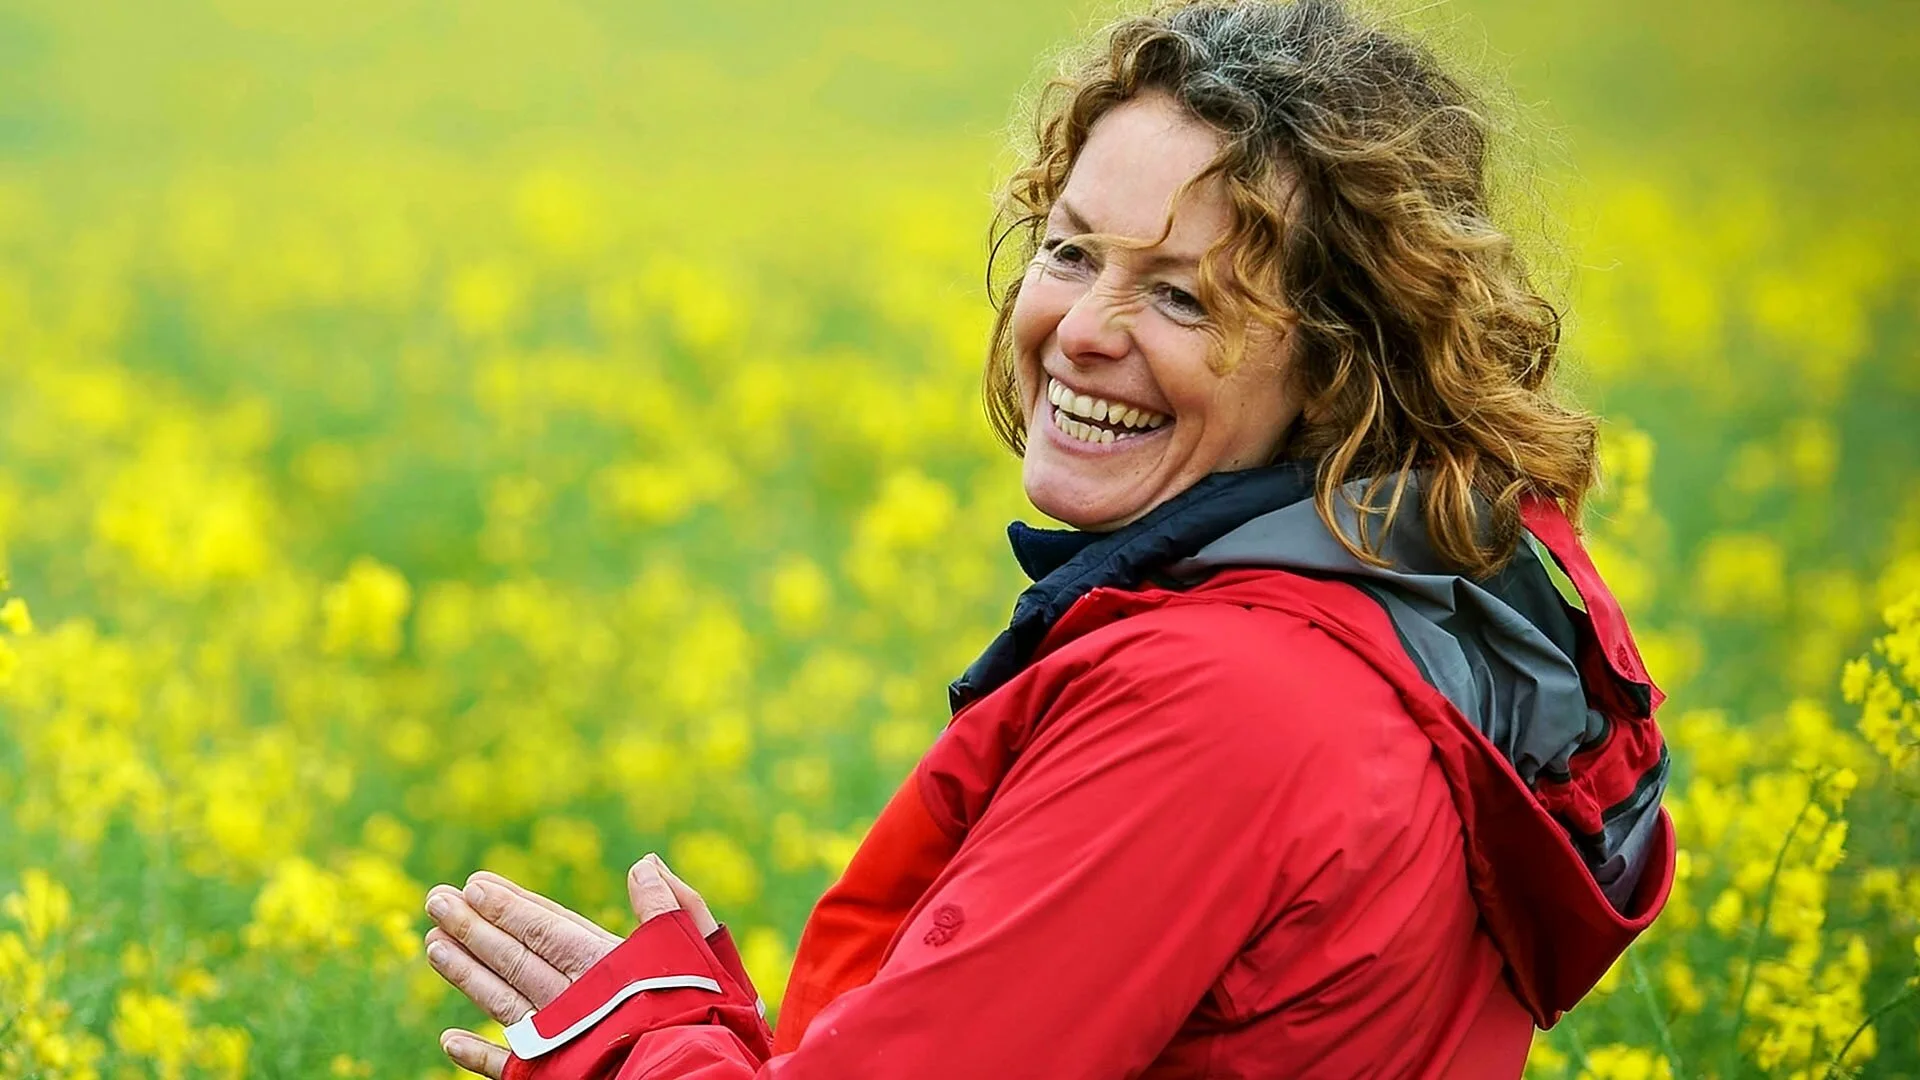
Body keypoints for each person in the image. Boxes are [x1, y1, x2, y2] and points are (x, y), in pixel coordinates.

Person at [419, 1, 1674, 1076]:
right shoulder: (1383, 636)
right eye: (1071, 249)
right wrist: (709, 1036)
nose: (1081, 328)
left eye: (1182, 295)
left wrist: (634, 1047)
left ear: (1341, 366)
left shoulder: (1223, 710)